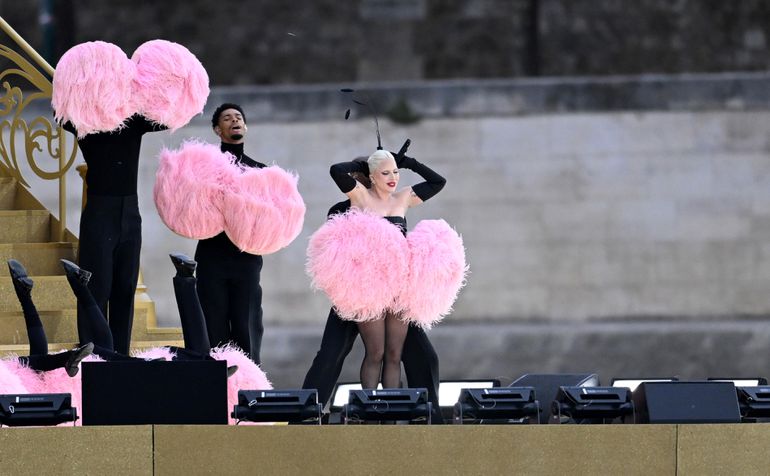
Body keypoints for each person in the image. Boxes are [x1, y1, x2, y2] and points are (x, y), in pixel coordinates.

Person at [301, 199, 445, 422]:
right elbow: (335, 257)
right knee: (330, 355)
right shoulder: (341, 210)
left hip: (393, 297)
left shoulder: (392, 205)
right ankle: (305, 417)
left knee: (425, 356)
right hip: (355, 295)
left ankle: (431, 420)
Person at [327, 148, 446, 391]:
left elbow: (438, 182)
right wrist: (365, 166)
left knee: (394, 353)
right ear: (372, 176)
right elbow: (336, 170)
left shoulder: (403, 198)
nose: (393, 177)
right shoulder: (359, 196)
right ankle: (370, 411)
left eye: (395, 172)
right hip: (369, 284)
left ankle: (392, 414)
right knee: (376, 352)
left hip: (399, 285)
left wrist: (408, 162)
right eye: (385, 173)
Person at [62, 116, 167, 355]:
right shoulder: (85, 120)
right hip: (99, 213)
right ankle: (93, 355)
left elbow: (168, 117)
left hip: (130, 213)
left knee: (125, 287)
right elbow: (61, 114)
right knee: (96, 288)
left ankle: (120, 357)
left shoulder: (133, 120)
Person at [195, 103, 266, 364]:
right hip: (211, 257)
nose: (234, 120)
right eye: (227, 118)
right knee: (213, 329)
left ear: (245, 126)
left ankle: (249, 392)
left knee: (247, 326)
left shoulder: (260, 172)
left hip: (246, 259)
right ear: (217, 129)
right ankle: (215, 390)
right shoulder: (204, 169)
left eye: (238, 117)